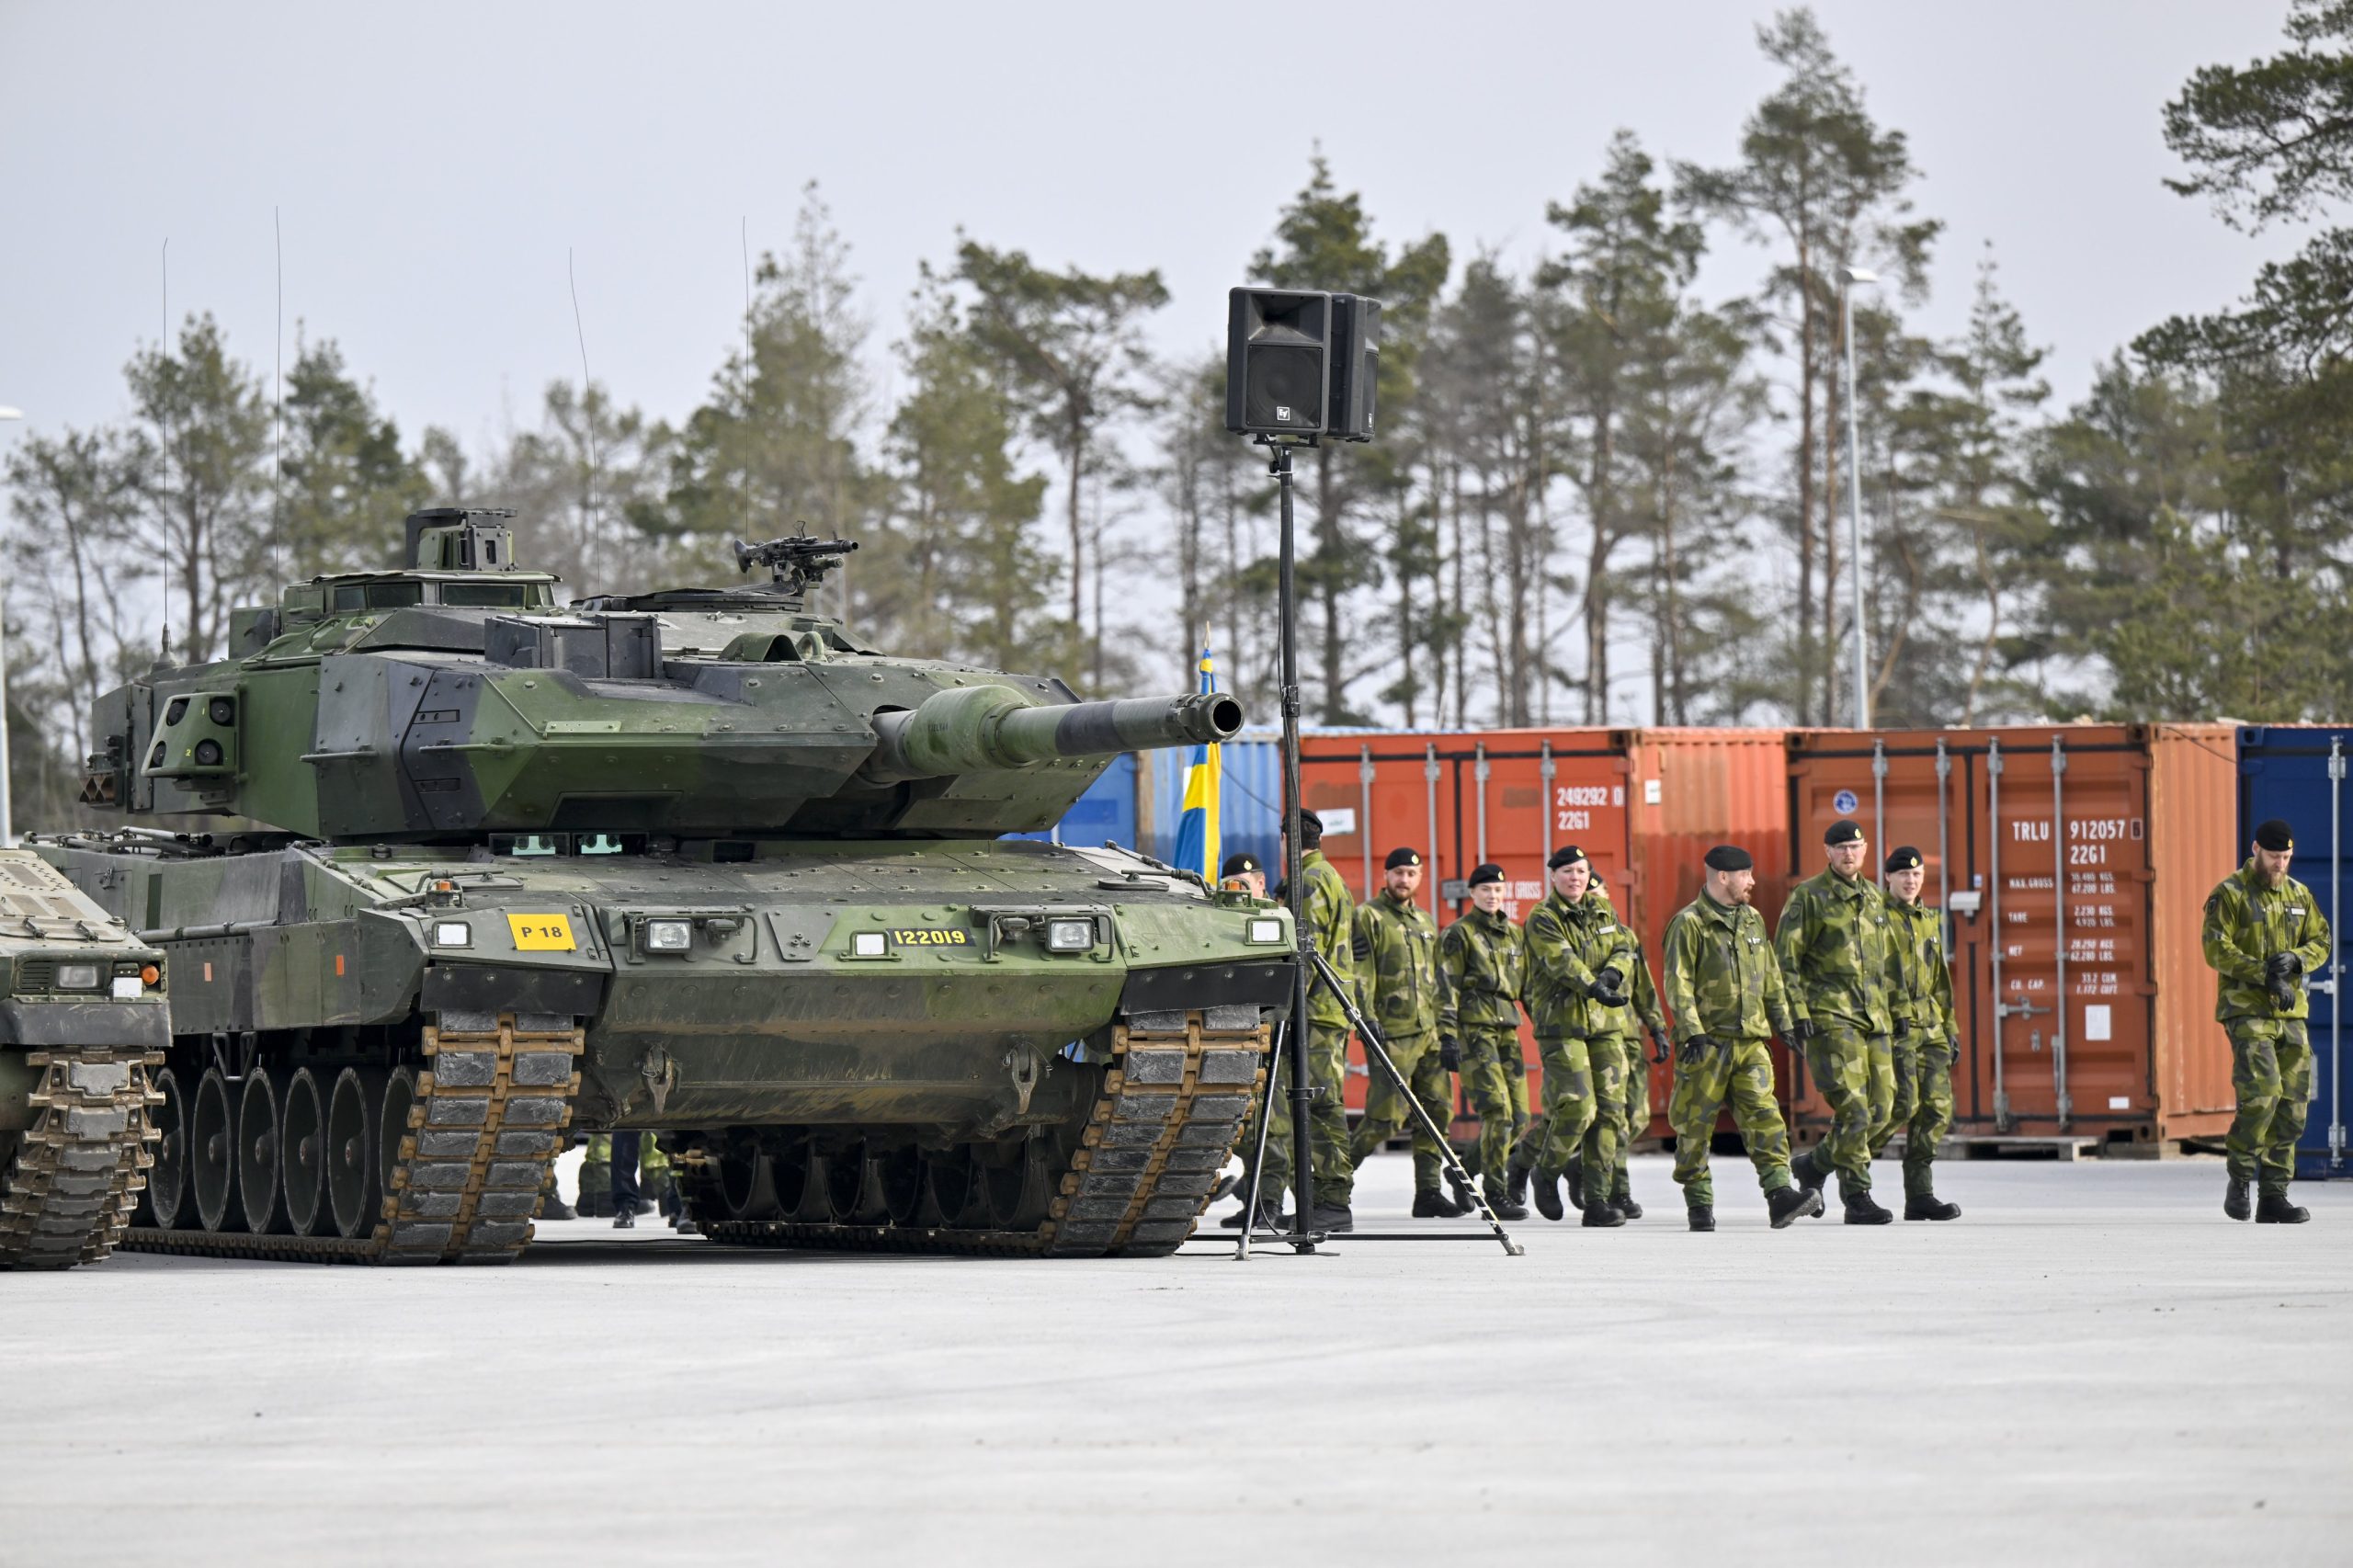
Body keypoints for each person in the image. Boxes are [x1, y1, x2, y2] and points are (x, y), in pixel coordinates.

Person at [1660, 845, 1823, 1232]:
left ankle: (1780, 1195)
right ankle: (1699, 1203)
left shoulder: (1751, 919)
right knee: (1694, 1128)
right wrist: (1693, 1031)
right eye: (1745, 875)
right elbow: (1677, 984)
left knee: (1766, 1119)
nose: (1751, 882)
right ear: (1723, 877)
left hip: (1750, 1042)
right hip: (1706, 1044)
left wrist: (1784, 1022)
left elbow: (1770, 976)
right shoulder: (1689, 923)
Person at [1225, 809, 1358, 1231]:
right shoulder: (1330, 877)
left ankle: (1333, 1201)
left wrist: (1284, 1008)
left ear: (1287, 841)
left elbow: (1307, 954)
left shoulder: (1311, 882)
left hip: (1314, 1014)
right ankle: (1315, 1199)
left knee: (1319, 1106)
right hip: (1323, 1012)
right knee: (1309, 1106)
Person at [2202, 818, 2328, 1223]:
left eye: (2287, 857)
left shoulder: (2299, 895)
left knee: (2292, 1105)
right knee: (2263, 1094)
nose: (2280, 864)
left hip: (2291, 1013)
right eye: (2275, 856)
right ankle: (2239, 1178)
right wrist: (2263, 972)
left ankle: (2274, 1196)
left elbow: (2321, 940)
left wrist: (2297, 960)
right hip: (2247, 1010)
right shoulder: (2230, 894)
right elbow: (2215, 949)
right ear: (2256, 849)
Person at [1776, 818, 1897, 1224]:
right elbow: (1785, 962)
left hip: (1874, 1017)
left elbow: (1886, 963)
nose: (1849, 854)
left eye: (1856, 847)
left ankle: (1815, 1165)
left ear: (1865, 850)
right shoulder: (1808, 897)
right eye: (1841, 847)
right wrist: (1797, 1012)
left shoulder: (1875, 898)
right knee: (1856, 1109)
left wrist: (1897, 1012)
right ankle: (1857, 1197)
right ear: (1827, 851)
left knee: (1883, 1109)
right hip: (1830, 1016)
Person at [1347, 846, 1464, 1218]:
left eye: (1411, 874)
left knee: (1436, 1112)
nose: (1404, 880)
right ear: (1386, 876)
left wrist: (1447, 1032)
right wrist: (1364, 1017)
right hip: (1391, 1035)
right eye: (1397, 873)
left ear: (1420, 878)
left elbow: (1438, 981)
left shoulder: (1426, 923)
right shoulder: (1369, 917)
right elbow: (1360, 971)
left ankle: (1428, 1193)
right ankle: (1329, 1188)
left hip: (1428, 1033)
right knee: (1385, 1117)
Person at [1513, 845, 1625, 1227]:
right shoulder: (1543, 917)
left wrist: (1614, 974)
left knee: (1610, 1113)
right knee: (1579, 1107)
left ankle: (1596, 1201)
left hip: (1605, 1025)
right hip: (1562, 1026)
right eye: (1567, 872)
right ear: (1553, 877)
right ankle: (1545, 1171)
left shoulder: (1602, 909)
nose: (1575, 878)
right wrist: (1595, 985)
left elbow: (1624, 946)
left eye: (1581, 871)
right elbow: (1560, 961)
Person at [1438, 861, 1531, 1221]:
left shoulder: (1514, 934)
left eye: (1497, 890)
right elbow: (1446, 988)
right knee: (1498, 1112)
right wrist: (1447, 1036)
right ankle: (1494, 1192)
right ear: (1472, 894)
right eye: (1485, 890)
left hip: (1507, 1029)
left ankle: (1460, 1172)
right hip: (1474, 1031)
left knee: (1520, 1115)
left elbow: (1527, 988)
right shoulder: (1458, 934)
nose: (1492, 896)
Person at [1874, 846, 1961, 1221]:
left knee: (1936, 1111)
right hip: (1897, 1029)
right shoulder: (1876, 920)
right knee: (1898, 1108)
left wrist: (1951, 1027)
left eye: (1917, 875)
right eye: (1903, 875)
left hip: (1932, 1028)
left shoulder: (1928, 919)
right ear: (1888, 879)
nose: (1911, 881)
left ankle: (1919, 1194)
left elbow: (1940, 979)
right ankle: (1835, 1164)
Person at [1586, 873, 1668, 1222]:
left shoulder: (1626, 937)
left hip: (1629, 1036)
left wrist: (1658, 1028)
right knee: (1612, 1116)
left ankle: (1590, 1167)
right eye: (1587, 893)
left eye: (1598, 891)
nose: (1594, 897)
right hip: (1600, 1037)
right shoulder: (1581, 938)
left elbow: (1644, 988)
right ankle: (1617, 1190)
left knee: (1637, 1116)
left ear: (1608, 894)